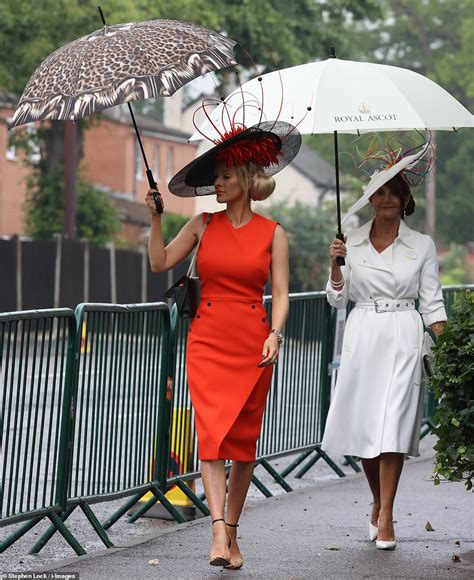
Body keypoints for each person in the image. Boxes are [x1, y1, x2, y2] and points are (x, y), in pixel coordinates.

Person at [146, 119, 301, 568]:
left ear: (248, 180)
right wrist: (155, 219)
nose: (217, 182)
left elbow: (283, 294)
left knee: (243, 445)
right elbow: (159, 262)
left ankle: (232, 532)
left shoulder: (274, 233)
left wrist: (276, 332)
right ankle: (216, 532)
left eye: (225, 176)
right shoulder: (201, 224)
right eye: (216, 176)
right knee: (211, 436)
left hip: (254, 343)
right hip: (208, 340)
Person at [321, 142, 447, 550]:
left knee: (392, 425)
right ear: (371, 198)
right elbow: (338, 298)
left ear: (405, 199)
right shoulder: (350, 241)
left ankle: (388, 513)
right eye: (380, 192)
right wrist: (336, 265)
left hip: (403, 334)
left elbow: (431, 301)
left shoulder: (422, 245)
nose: (387, 198)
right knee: (366, 428)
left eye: (394, 191)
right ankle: (376, 500)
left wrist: (450, 346)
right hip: (363, 333)